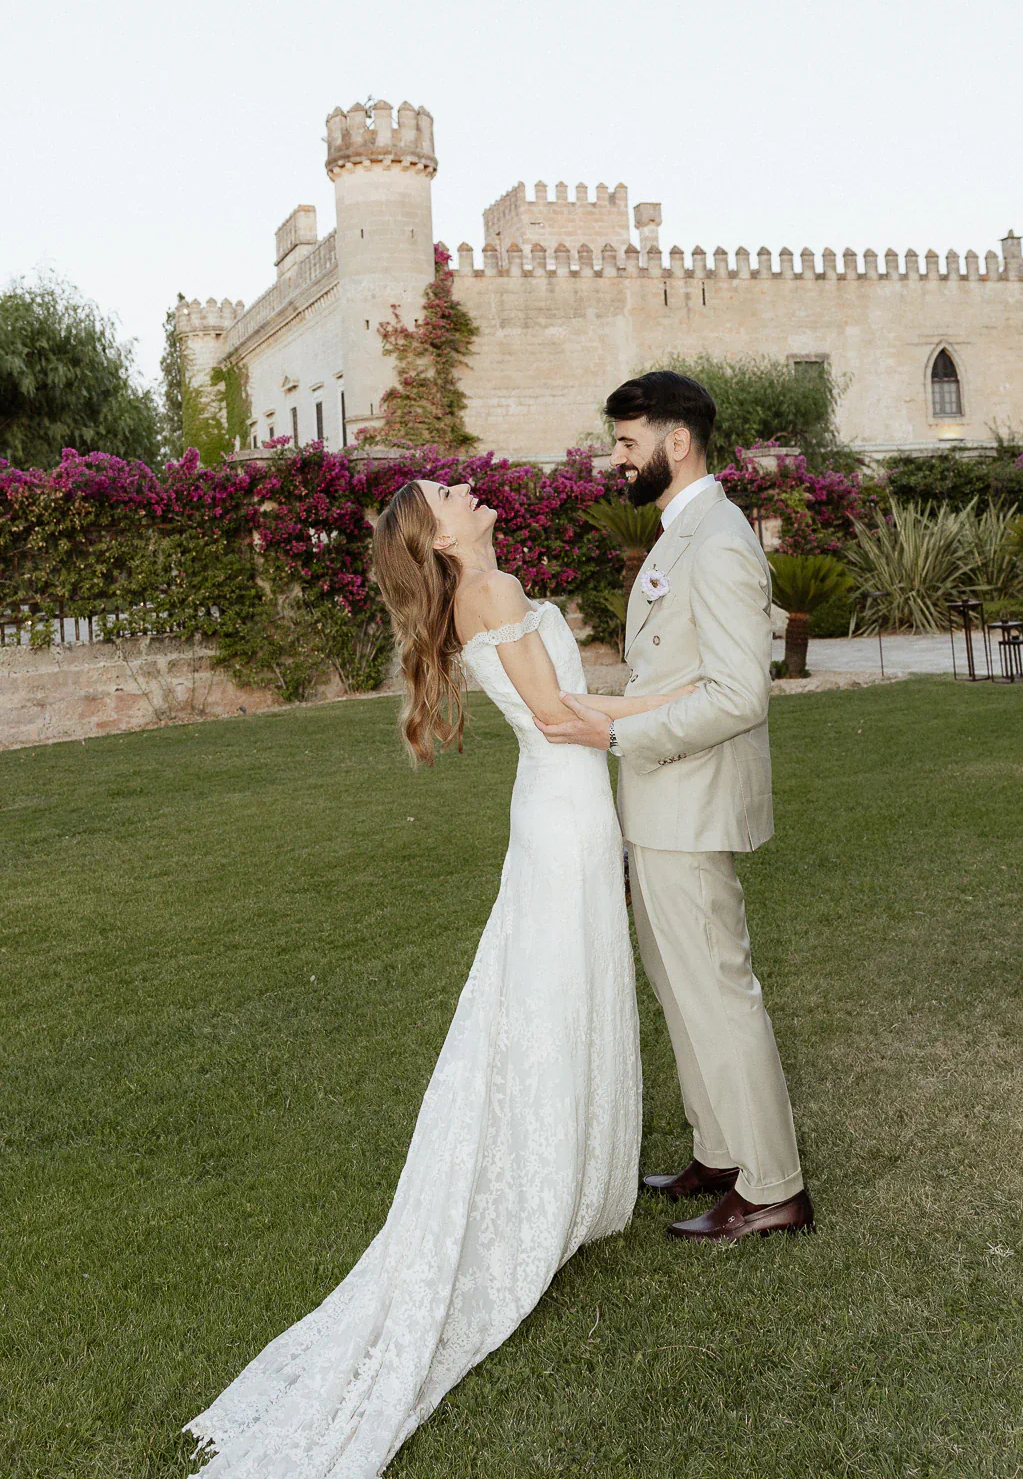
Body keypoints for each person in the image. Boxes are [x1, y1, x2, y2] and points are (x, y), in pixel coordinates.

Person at [184, 475, 689, 1478]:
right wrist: (686, 697)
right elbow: (557, 718)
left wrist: (667, 693)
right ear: (440, 537)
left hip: (560, 814)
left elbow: (574, 701)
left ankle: (568, 1175)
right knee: (550, 1002)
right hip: (564, 815)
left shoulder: (489, 588)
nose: (467, 486)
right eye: (449, 490)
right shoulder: (488, 595)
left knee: (554, 996)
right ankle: (543, 1187)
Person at [536, 370, 815, 1243]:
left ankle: (772, 1186)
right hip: (658, 806)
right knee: (680, 989)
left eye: (627, 442)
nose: (614, 459)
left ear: (677, 441)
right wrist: (603, 712)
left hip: (691, 806)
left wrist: (615, 738)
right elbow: (672, 676)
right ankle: (720, 1152)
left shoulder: (719, 540)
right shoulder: (678, 533)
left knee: (717, 993)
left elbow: (739, 696)